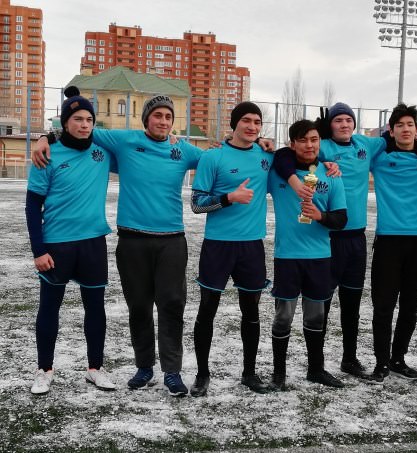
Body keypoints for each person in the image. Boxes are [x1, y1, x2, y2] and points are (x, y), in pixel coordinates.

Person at [33, 94, 205, 397]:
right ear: (146, 119)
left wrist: (260, 145)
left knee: (171, 305)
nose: (163, 121)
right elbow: (77, 129)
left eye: (168, 116)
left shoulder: (182, 149)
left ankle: (171, 372)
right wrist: (44, 137)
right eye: (157, 115)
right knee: (138, 306)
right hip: (130, 239)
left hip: (170, 240)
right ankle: (143, 367)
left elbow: (217, 159)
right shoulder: (124, 141)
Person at [273, 102, 417, 380]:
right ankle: (318, 363)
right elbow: (283, 156)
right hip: (328, 238)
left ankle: (349, 358)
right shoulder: (322, 145)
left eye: (348, 120)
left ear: (354, 123)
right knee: (322, 304)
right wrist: (304, 168)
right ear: (330, 126)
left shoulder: (367, 144)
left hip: (356, 239)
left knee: (351, 304)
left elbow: (400, 136)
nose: (344, 124)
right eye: (338, 120)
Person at [26, 87, 116, 394]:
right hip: (57, 244)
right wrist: (38, 250)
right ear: (65, 123)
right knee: (49, 307)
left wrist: (171, 138)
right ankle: (44, 370)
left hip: (93, 242)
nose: (84, 124)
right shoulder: (47, 155)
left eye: (89, 119)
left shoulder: (102, 152)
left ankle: (95, 368)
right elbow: (32, 206)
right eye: (77, 119)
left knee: (96, 307)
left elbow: (138, 145)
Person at [189, 102, 273, 396]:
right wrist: (229, 198)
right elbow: (197, 204)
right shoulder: (213, 157)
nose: (252, 126)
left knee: (251, 312)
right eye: (246, 120)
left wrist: (329, 164)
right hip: (218, 245)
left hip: (252, 246)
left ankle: (249, 373)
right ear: (234, 124)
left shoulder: (266, 157)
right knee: (207, 310)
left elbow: (303, 157)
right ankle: (202, 374)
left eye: (257, 122)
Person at [268, 119, 348, 390]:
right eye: (302, 140)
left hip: (319, 257)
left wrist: (320, 215)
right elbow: (279, 157)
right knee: (283, 317)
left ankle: (316, 369)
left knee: (316, 317)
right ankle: (279, 373)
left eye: (314, 139)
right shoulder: (279, 173)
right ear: (293, 144)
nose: (309, 145)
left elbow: (341, 219)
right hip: (287, 256)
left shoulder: (331, 174)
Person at [368, 103, 417, 384]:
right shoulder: (380, 157)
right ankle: (381, 362)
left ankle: (398, 358)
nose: (406, 129)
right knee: (383, 306)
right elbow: (352, 146)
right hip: (388, 241)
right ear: (392, 130)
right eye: (400, 125)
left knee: (410, 307)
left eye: (410, 124)